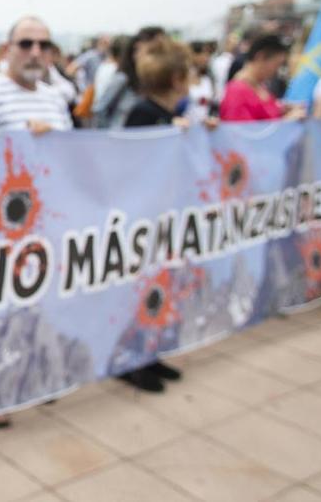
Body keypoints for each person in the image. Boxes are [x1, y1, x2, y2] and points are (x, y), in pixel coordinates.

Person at [121, 37, 194, 391]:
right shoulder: (144, 113)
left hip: (163, 214)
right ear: (177, 79)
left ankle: (151, 353)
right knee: (141, 290)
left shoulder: (168, 115)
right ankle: (132, 360)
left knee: (160, 287)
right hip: (144, 216)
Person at [0, 16, 73, 133]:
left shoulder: (56, 99)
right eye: (26, 44)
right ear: (6, 50)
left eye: (44, 45)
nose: (35, 53)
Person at [93, 26, 166, 129]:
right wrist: (107, 136)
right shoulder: (122, 78)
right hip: (121, 135)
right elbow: (100, 109)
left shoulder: (153, 81)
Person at [219, 34, 303, 122]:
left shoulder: (259, 86)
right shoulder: (237, 90)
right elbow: (241, 128)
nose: (276, 71)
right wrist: (286, 121)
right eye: (276, 64)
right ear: (260, 56)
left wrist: (282, 110)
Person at [186, 41, 217, 122]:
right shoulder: (181, 80)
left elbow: (212, 105)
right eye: (203, 54)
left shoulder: (207, 80)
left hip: (203, 126)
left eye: (208, 54)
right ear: (192, 55)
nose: (207, 58)